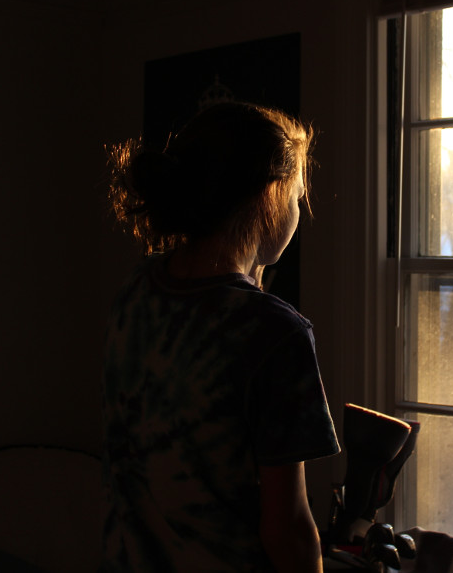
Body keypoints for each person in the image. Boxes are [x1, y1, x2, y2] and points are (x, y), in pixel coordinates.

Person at [101, 101, 340, 573]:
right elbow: (287, 528)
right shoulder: (275, 333)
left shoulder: (137, 290)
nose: (298, 211)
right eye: (297, 197)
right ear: (269, 196)